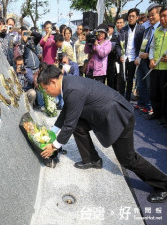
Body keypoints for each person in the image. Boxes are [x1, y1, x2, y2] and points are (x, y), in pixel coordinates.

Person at [38, 64, 167, 203]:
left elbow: (69, 124)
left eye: (46, 89)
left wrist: (54, 146)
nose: (47, 92)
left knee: (127, 159)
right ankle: (92, 159)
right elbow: (67, 112)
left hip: (118, 116)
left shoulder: (72, 89)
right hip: (107, 114)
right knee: (78, 126)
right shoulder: (68, 83)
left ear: (53, 81)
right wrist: (53, 131)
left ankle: (163, 185)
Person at [134, 3, 161, 115]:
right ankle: (142, 103)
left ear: (159, 14)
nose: (150, 17)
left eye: (153, 15)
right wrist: (138, 57)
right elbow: (142, 44)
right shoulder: (147, 28)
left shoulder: (161, 29)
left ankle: (150, 106)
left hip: (152, 61)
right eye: (149, 15)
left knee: (150, 85)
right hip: (142, 59)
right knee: (141, 83)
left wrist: (149, 56)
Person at [117, 8, 145, 101]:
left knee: (130, 81)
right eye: (129, 16)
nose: (131, 18)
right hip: (124, 58)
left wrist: (139, 56)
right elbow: (118, 45)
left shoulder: (141, 29)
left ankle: (127, 100)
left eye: (133, 16)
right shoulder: (123, 30)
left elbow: (143, 45)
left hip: (135, 58)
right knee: (121, 79)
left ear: (137, 17)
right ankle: (121, 99)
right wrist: (120, 54)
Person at [147, 7, 167, 127]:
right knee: (155, 91)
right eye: (162, 16)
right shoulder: (158, 31)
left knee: (165, 94)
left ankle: (164, 116)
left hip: (165, 69)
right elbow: (152, 47)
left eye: (165, 16)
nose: (163, 18)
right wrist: (151, 59)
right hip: (155, 67)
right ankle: (156, 112)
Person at [106, 23, 119, 90]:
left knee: (111, 78)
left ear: (113, 29)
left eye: (111, 28)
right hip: (103, 61)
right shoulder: (104, 37)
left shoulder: (115, 38)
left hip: (112, 61)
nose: (109, 29)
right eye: (108, 28)